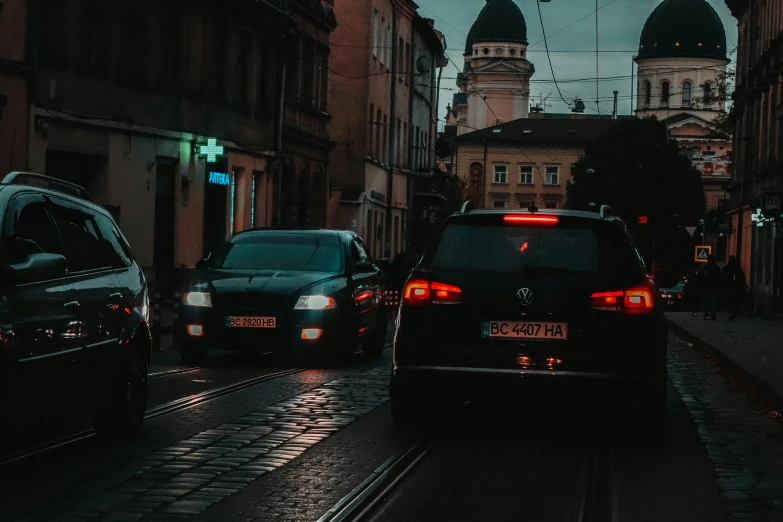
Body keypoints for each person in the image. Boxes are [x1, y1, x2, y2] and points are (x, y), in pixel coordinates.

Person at [721, 256, 747, 320]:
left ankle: (731, 312)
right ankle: (734, 312)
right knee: (734, 301)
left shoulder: (727, 268)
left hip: (729, 287)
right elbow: (742, 277)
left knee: (730, 301)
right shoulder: (738, 268)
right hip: (736, 288)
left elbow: (723, 277)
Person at [699, 254, 721, 320]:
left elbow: (701, 277)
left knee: (707, 301)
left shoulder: (706, 267)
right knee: (713, 301)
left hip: (707, 287)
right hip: (714, 287)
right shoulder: (716, 267)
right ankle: (712, 314)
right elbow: (719, 277)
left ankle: (707, 314)